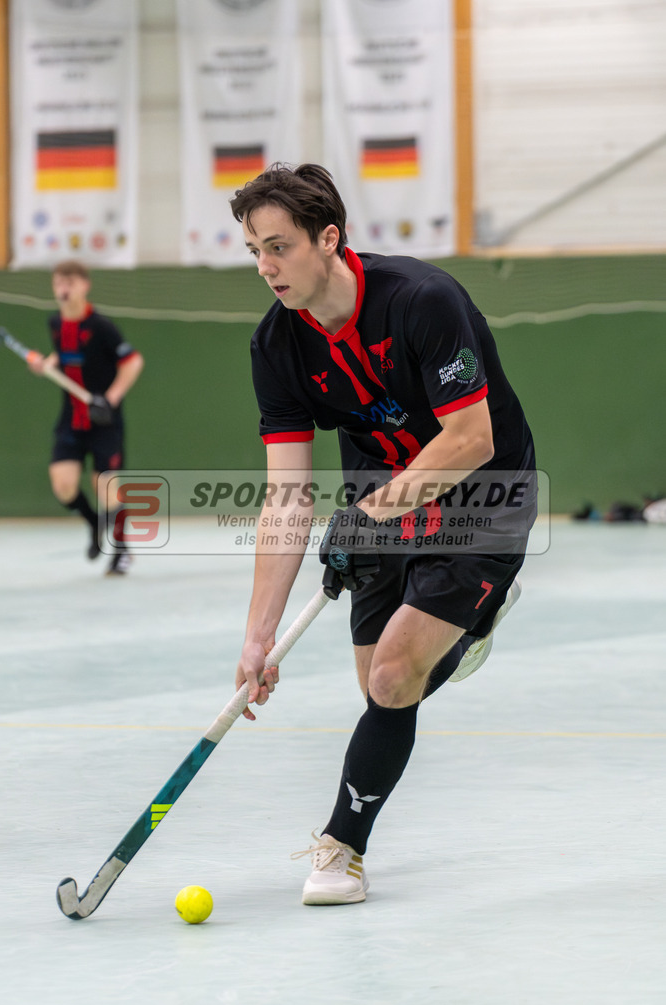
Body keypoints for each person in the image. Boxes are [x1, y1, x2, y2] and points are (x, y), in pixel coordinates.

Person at [229, 164, 537, 905]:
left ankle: (341, 848)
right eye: (253, 251)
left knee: (395, 673)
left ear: (327, 238)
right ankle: (468, 632)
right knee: (378, 682)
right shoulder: (277, 347)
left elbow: (468, 438)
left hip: (481, 494)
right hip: (381, 495)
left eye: (278, 247)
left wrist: (365, 519)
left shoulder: (421, 301)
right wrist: (257, 637)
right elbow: (287, 496)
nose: (265, 267)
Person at [28, 259, 144, 574]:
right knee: (63, 485)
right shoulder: (56, 325)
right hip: (72, 420)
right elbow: (65, 357)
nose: (63, 290)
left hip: (104, 420)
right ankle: (94, 523)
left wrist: (112, 397)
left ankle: (121, 550)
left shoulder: (101, 327)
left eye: (70, 283)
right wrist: (47, 364)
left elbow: (133, 362)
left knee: (105, 485)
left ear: (84, 285)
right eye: (58, 284)